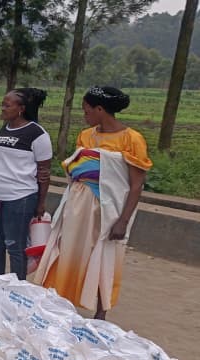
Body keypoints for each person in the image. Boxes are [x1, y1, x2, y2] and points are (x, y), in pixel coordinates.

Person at [33, 87, 151, 320]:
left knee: (104, 254)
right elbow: (78, 167)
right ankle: (63, 303)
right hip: (78, 203)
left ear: (99, 109)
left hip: (108, 207)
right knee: (69, 251)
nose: (84, 115)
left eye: (87, 110)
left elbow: (136, 184)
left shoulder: (131, 139)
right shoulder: (86, 136)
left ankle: (100, 311)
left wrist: (123, 220)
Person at [0, 88, 52, 280]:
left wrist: (40, 203)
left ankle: (17, 289)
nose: (2, 108)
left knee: (15, 246)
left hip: (20, 198)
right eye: (2, 104)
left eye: (7, 105)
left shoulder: (37, 134)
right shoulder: (3, 129)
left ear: (21, 108)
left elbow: (44, 172)